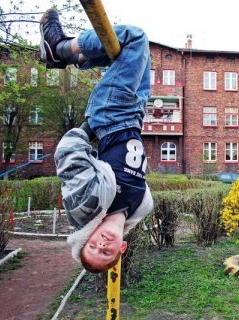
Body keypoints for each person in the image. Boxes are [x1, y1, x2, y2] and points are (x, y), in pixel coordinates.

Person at [39, 8, 153, 273]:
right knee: (137, 55)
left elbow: (67, 156)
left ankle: (60, 48)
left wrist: (90, 128)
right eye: (106, 252)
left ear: (85, 238)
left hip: (111, 114)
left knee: (136, 39)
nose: (102, 243)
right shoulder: (138, 209)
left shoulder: (85, 207)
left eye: (92, 247)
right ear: (121, 248)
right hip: (135, 116)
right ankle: (76, 57)